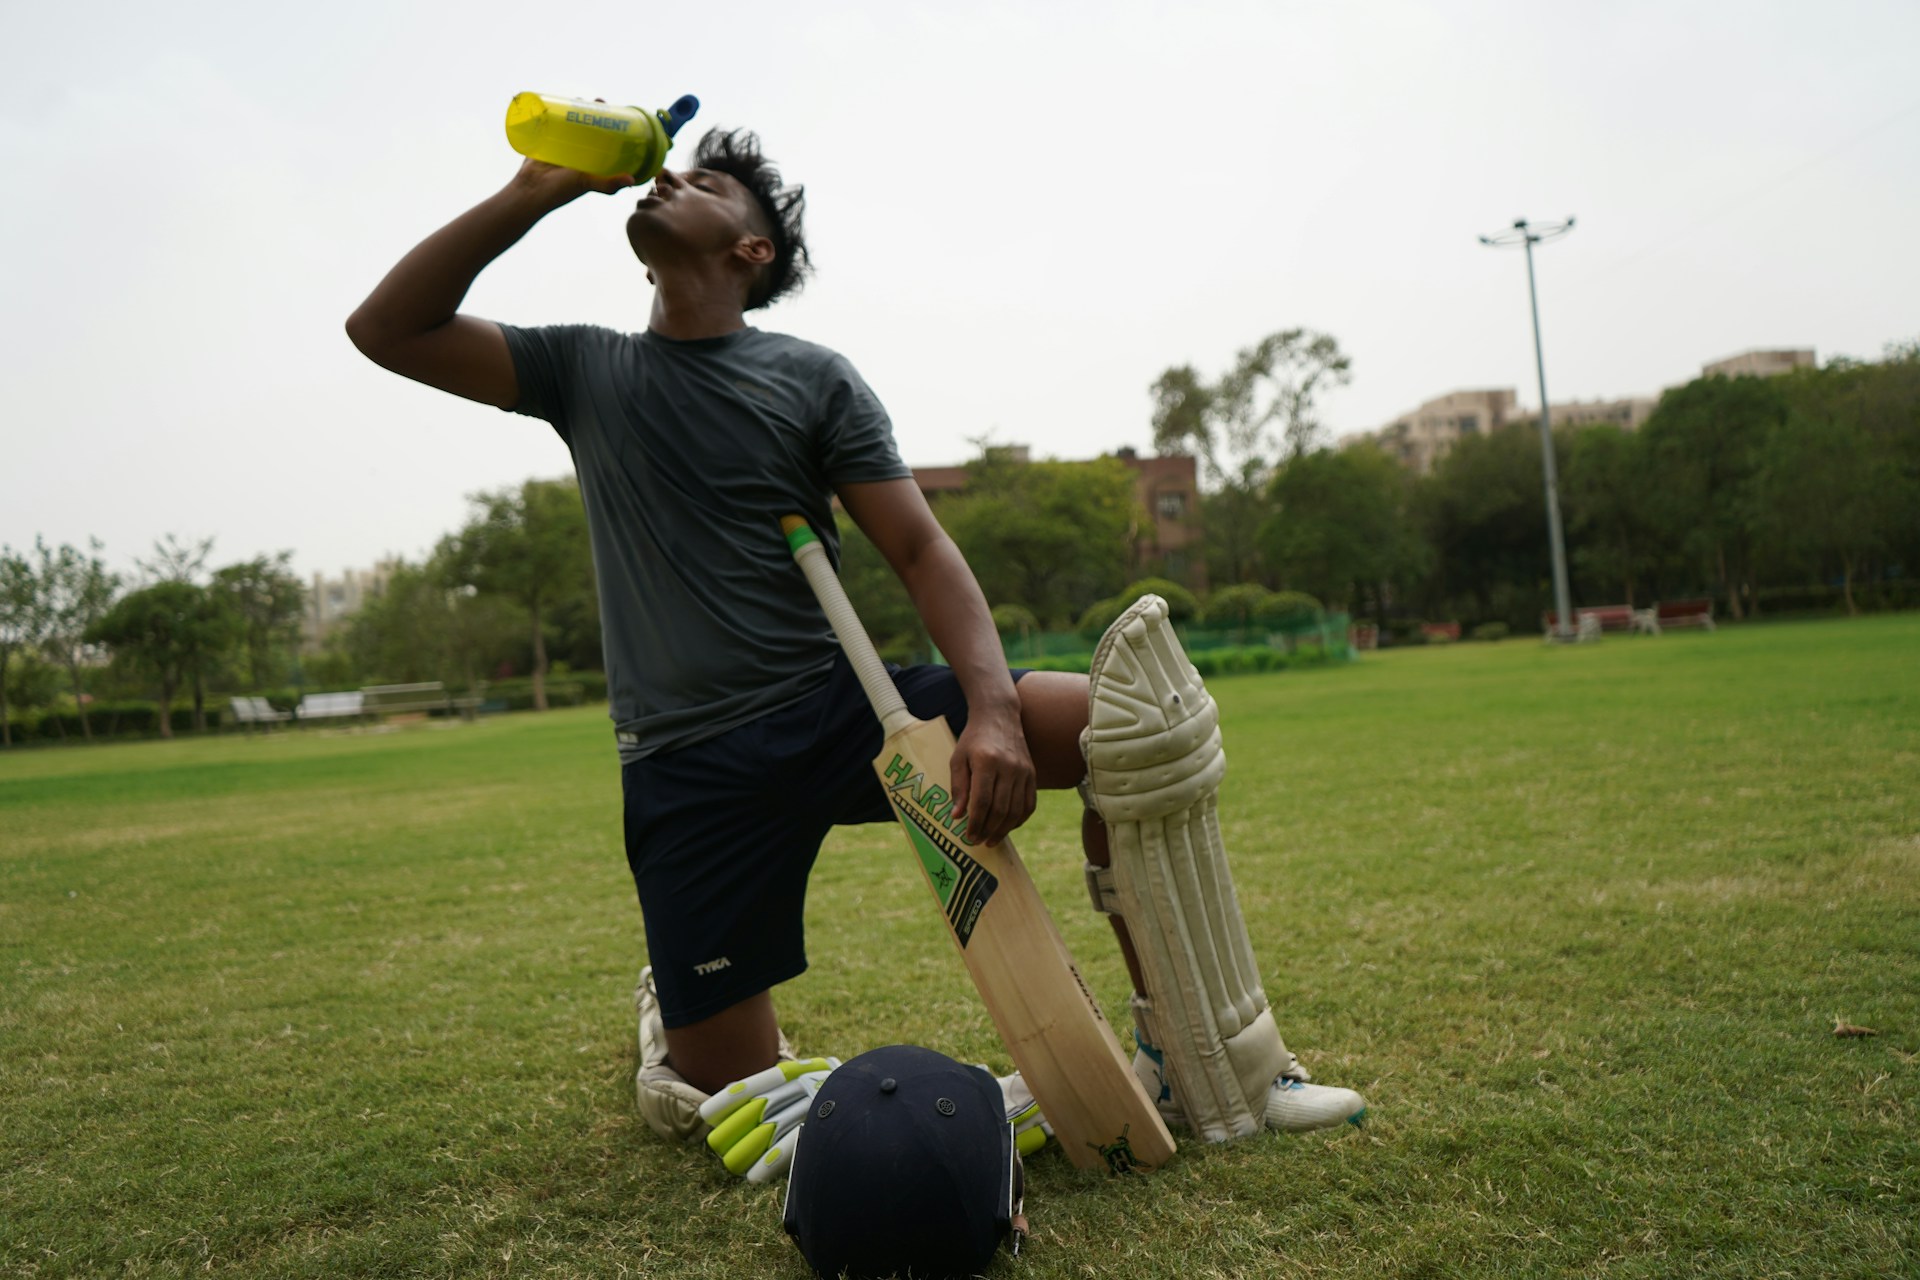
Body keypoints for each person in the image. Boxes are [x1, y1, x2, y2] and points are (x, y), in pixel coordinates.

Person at [345, 127, 1364, 1173]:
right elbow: (386, 327)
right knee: (719, 1096)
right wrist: (536, 189)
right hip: (687, 765)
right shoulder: (583, 368)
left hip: (840, 709)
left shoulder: (809, 376)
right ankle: (676, 1020)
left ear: (752, 250)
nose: (669, 180)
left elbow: (921, 548)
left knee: (1132, 725)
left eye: (706, 182)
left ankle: (1220, 1061)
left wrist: (996, 713)